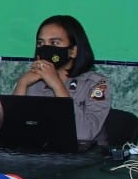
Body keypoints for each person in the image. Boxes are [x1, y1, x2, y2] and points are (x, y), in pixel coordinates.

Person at [11, 14, 111, 142]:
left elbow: (84, 133)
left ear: (73, 51)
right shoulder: (33, 82)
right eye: (41, 43)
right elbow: (12, 129)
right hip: (39, 154)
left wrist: (57, 85)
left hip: (83, 157)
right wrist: (22, 84)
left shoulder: (96, 84)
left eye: (54, 43)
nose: (46, 49)